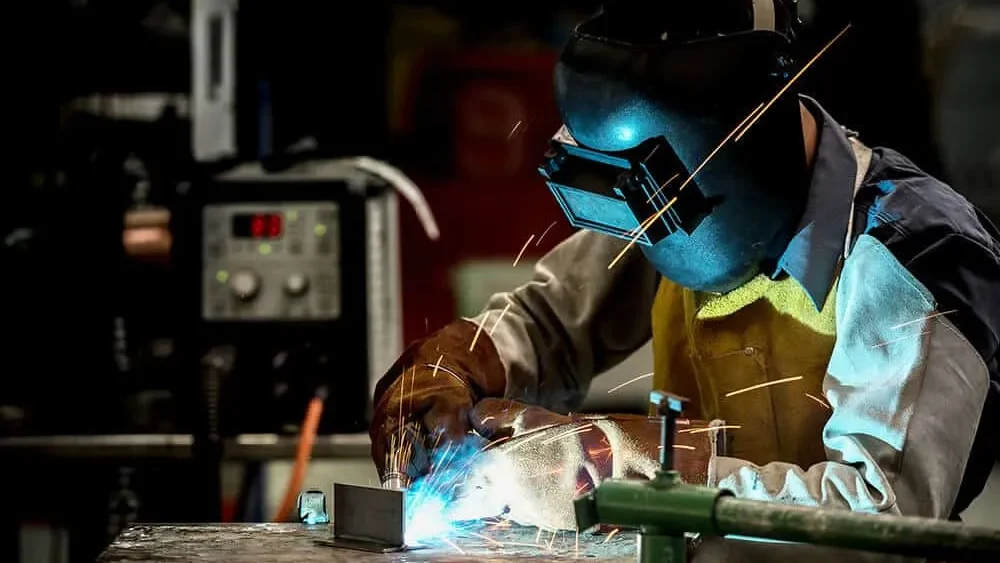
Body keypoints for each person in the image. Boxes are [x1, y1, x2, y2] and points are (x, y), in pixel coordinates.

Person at [370, 0, 1000, 539]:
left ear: (738, 138)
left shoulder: (917, 253)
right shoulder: (663, 197)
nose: (647, 233)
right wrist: (456, 368)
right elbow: (549, 324)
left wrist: (620, 468)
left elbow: (879, 516)